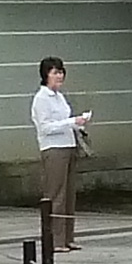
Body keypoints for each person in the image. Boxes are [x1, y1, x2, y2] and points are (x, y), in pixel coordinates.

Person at [30, 56, 90, 244]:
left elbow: (64, 121)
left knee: (69, 194)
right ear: (45, 75)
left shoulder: (60, 97)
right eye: (55, 72)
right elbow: (45, 127)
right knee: (56, 194)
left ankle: (67, 237)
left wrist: (78, 125)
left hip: (68, 145)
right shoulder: (41, 98)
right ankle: (55, 240)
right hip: (54, 149)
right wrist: (72, 122)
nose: (59, 76)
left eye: (61, 72)